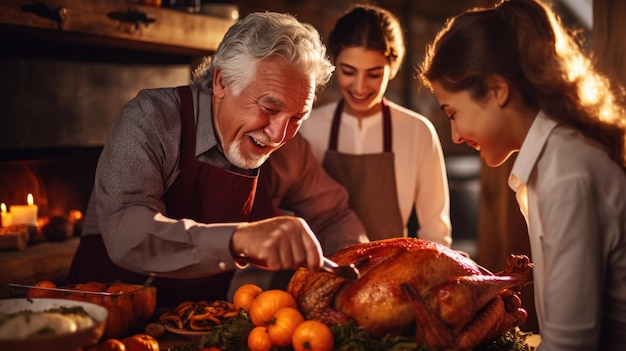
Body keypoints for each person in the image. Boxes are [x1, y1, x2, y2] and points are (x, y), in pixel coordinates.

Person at [69, 11, 368, 307]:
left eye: (296, 117)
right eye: (269, 107)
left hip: (199, 323)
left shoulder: (291, 150)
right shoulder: (149, 119)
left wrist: (365, 274)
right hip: (104, 313)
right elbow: (127, 233)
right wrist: (238, 239)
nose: (278, 135)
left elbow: (334, 216)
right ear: (221, 83)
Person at [417, 0, 626, 350]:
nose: (454, 135)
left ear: (497, 90)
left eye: (453, 113)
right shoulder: (554, 158)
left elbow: (569, 343)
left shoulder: (566, 172)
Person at [299, 4, 452, 245]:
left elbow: (435, 233)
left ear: (392, 69)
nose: (360, 87)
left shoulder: (417, 132)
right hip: (321, 271)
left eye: (373, 74)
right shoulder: (309, 127)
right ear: (334, 64)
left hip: (389, 274)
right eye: (348, 71)